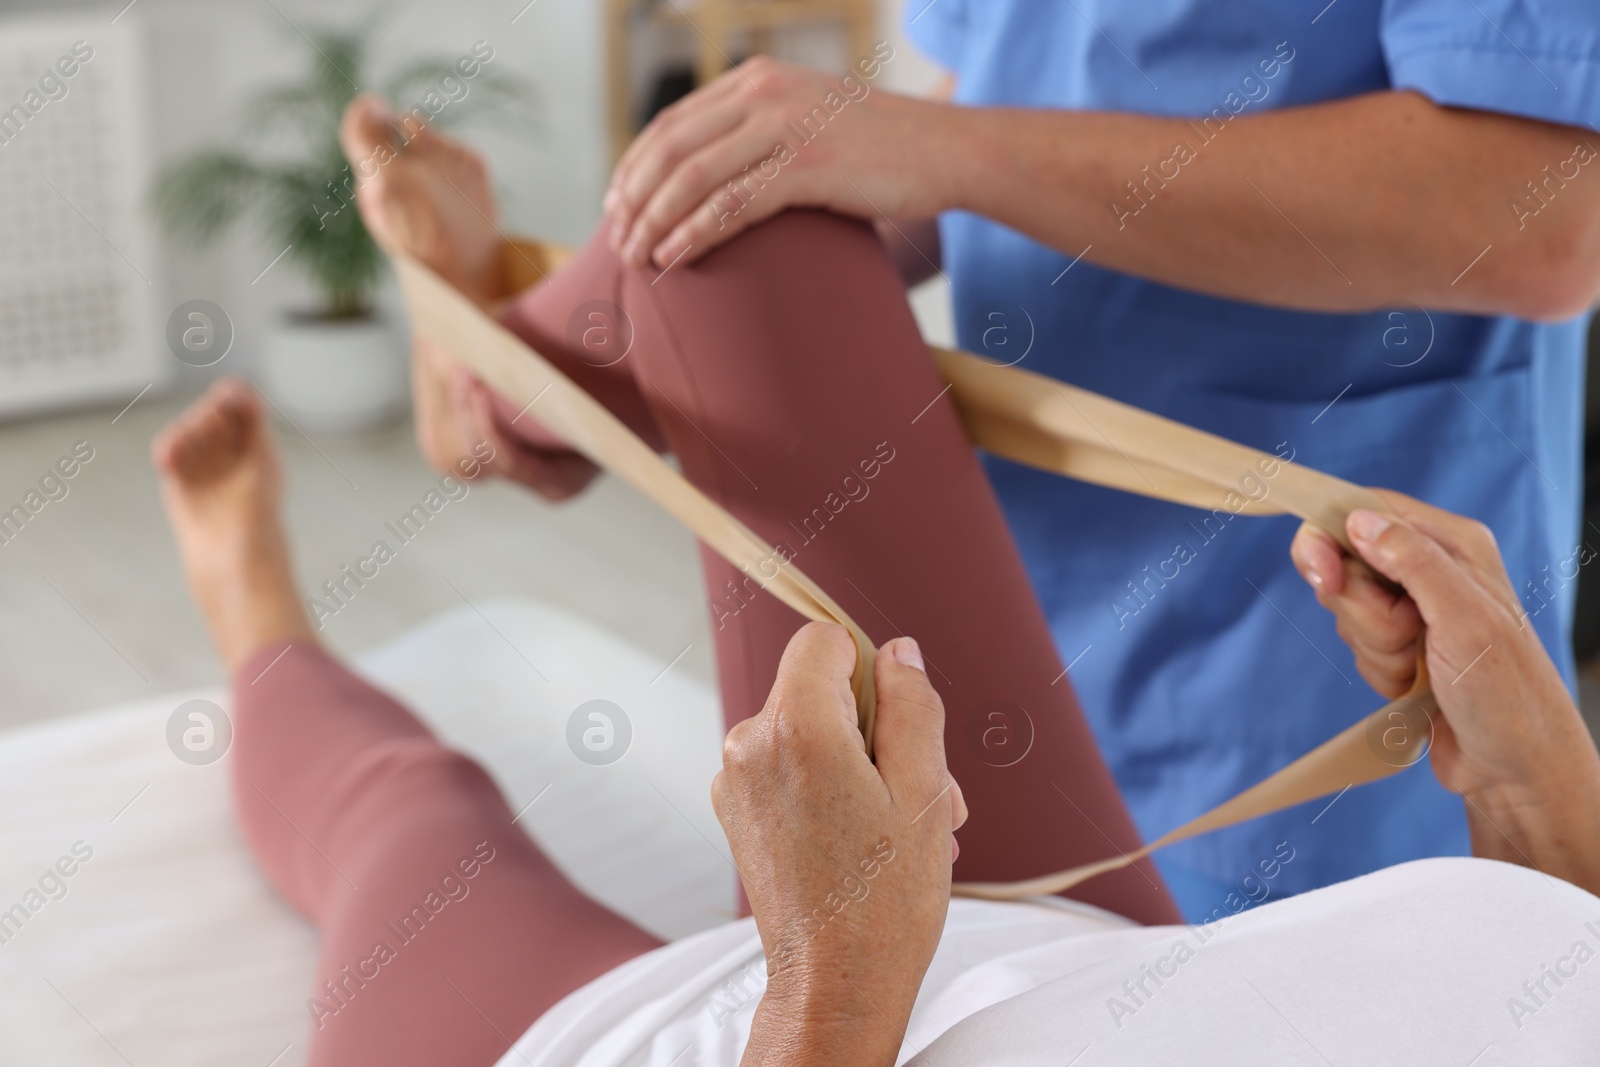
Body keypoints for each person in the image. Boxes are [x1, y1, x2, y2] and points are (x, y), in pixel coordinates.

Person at [152, 261, 1599, 1065]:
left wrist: (829, 981)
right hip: (1091, 955)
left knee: (406, 811)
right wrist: (1545, 828)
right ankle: (503, 347)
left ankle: (252, 604)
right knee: (734, 234)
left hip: (716, 1029)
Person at [591, 2, 1600, 917]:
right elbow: (1000, 85)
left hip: (1316, 664)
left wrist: (949, 151)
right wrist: (762, 236)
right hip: (1034, 634)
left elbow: (1549, 211)